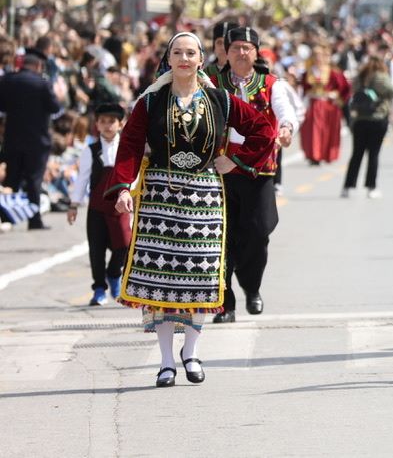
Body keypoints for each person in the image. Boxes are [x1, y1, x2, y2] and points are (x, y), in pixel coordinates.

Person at [108, 31, 273, 387]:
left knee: (199, 274)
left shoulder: (220, 100)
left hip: (204, 196)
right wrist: (123, 186)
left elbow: (264, 130)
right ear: (168, 59)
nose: (184, 59)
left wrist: (237, 160)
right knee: (162, 280)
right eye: (178, 53)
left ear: (202, 60)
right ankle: (166, 360)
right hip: (160, 197)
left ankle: (192, 351)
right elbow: (131, 144)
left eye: (191, 53)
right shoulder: (150, 102)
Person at [210, 26, 299, 323]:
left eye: (246, 48)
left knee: (259, 232)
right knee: (223, 236)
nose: (240, 53)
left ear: (256, 52)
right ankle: (226, 303)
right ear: (226, 51)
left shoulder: (270, 83)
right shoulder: (212, 82)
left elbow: (285, 112)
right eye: (234, 47)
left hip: (259, 169)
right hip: (221, 167)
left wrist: (286, 129)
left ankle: (252, 287)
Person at [66, 102, 132, 305]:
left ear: (121, 124)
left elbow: (134, 175)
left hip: (120, 206)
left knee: (124, 245)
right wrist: (74, 204)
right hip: (96, 206)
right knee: (96, 249)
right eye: (103, 121)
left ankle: (114, 274)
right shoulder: (90, 150)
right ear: (97, 124)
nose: (107, 125)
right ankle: (99, 290)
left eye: (112, 121)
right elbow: (82, 178)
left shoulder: (127, 147)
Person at [0, 48, 63, 229]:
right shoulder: (42, 83)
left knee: (12, 178)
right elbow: (55, 108)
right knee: (34, 180)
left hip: (13, 138)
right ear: (37, 66)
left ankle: (6, 217)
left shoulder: (7, 80)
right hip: (37, 140)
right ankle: (34, 219)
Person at [342, 53, 393, 197]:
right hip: (377, 117)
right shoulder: (381, 76)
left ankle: (348, 186)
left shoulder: (360, 78)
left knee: (356, 154)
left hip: (360, 118)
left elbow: (353, 92)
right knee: (373, 154)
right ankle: (371, 187)